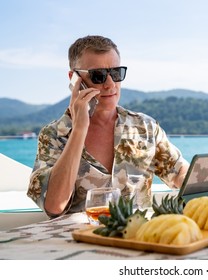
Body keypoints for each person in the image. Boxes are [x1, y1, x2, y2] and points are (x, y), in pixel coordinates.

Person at [27, 35, 189, 218]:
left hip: (137, 239)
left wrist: (193, 185)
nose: (110, 84)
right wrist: (79, 130)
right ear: (74, 79)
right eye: (98, 76)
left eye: (116, 73)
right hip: (78, 242)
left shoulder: (145, 128)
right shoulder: (53, 136)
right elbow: (54, 205)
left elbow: (179, 172)